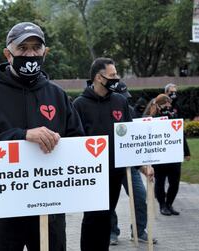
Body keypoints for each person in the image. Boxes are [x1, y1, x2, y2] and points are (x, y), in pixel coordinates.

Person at [0, 22, 84, 251]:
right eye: (22, 48)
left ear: (45, 53)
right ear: (7, 54)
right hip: (2, 211)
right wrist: (22, 136)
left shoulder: (57, 95)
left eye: (36, 48)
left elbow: (77, 145)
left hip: (48, 208)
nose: (30, 54)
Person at [72, 57, 133, 251]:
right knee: (92, 217)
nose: (117, 78)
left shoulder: (120, 101)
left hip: (115, 172)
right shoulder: (80, 104)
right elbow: (74, 139)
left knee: (107, 215)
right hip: (91, 175)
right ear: (99, 77)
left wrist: (142, 164)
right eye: (113, 75)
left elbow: (130, 135)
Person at [109, 81, 156, 245]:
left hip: (129, 164)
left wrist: (143, 165)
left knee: (140, 196)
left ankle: (139, 230)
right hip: (108, 165)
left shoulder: (128, 111)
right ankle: (111, 232)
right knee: (108, 202)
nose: (124, 100)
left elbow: (136, 140)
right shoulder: (98, 108)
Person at [143, 94, 191, 216]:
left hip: (174, 154)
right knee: (160, 181)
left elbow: (180, 134)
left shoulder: (173, 116)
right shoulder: (150, 116)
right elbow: (145, 128)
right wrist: (156, 115)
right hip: (160, 155)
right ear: (160, 104)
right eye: (167, 103)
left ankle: (169, 203)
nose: (169, 106)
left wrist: (186, 152)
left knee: (174, 182)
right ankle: (162, 205)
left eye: (169, 104)